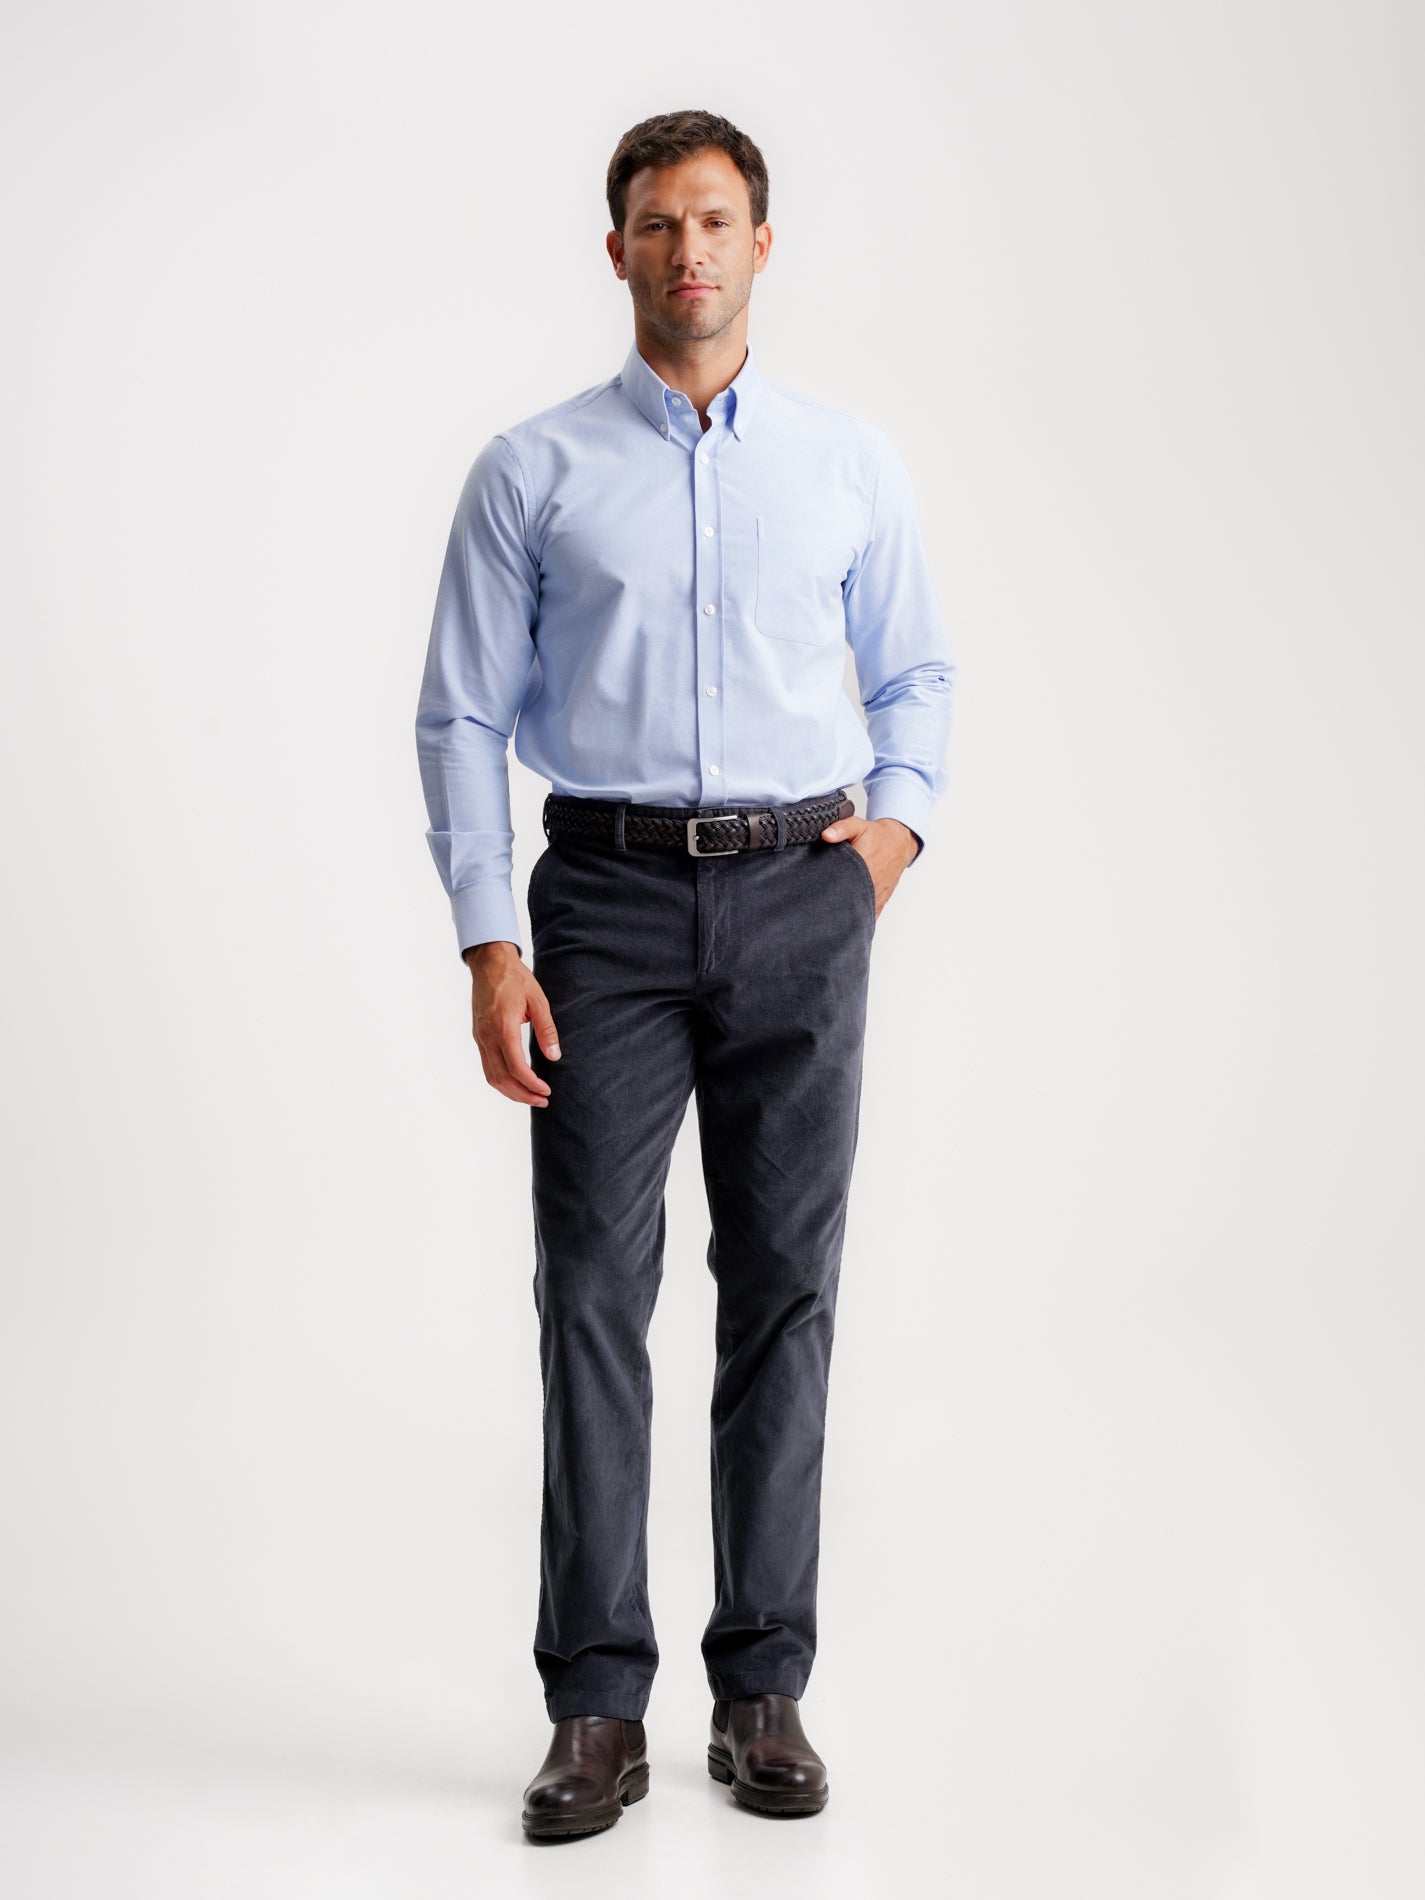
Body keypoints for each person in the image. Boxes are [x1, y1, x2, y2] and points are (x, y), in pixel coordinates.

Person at [414, 107, 955, 1841]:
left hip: (803, 892)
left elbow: (915, 677)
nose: (688, 249)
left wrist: (885, 844)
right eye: (657, 222)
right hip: (605, 907)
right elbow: (460, 713)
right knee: (590, 1288)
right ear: (617, 251)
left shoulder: (847, 464)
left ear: (761, 244)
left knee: (784, 1287)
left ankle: (762, 1687)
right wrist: (490, 939)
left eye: (715, 219)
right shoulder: (534, 471)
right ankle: (595, 1706)